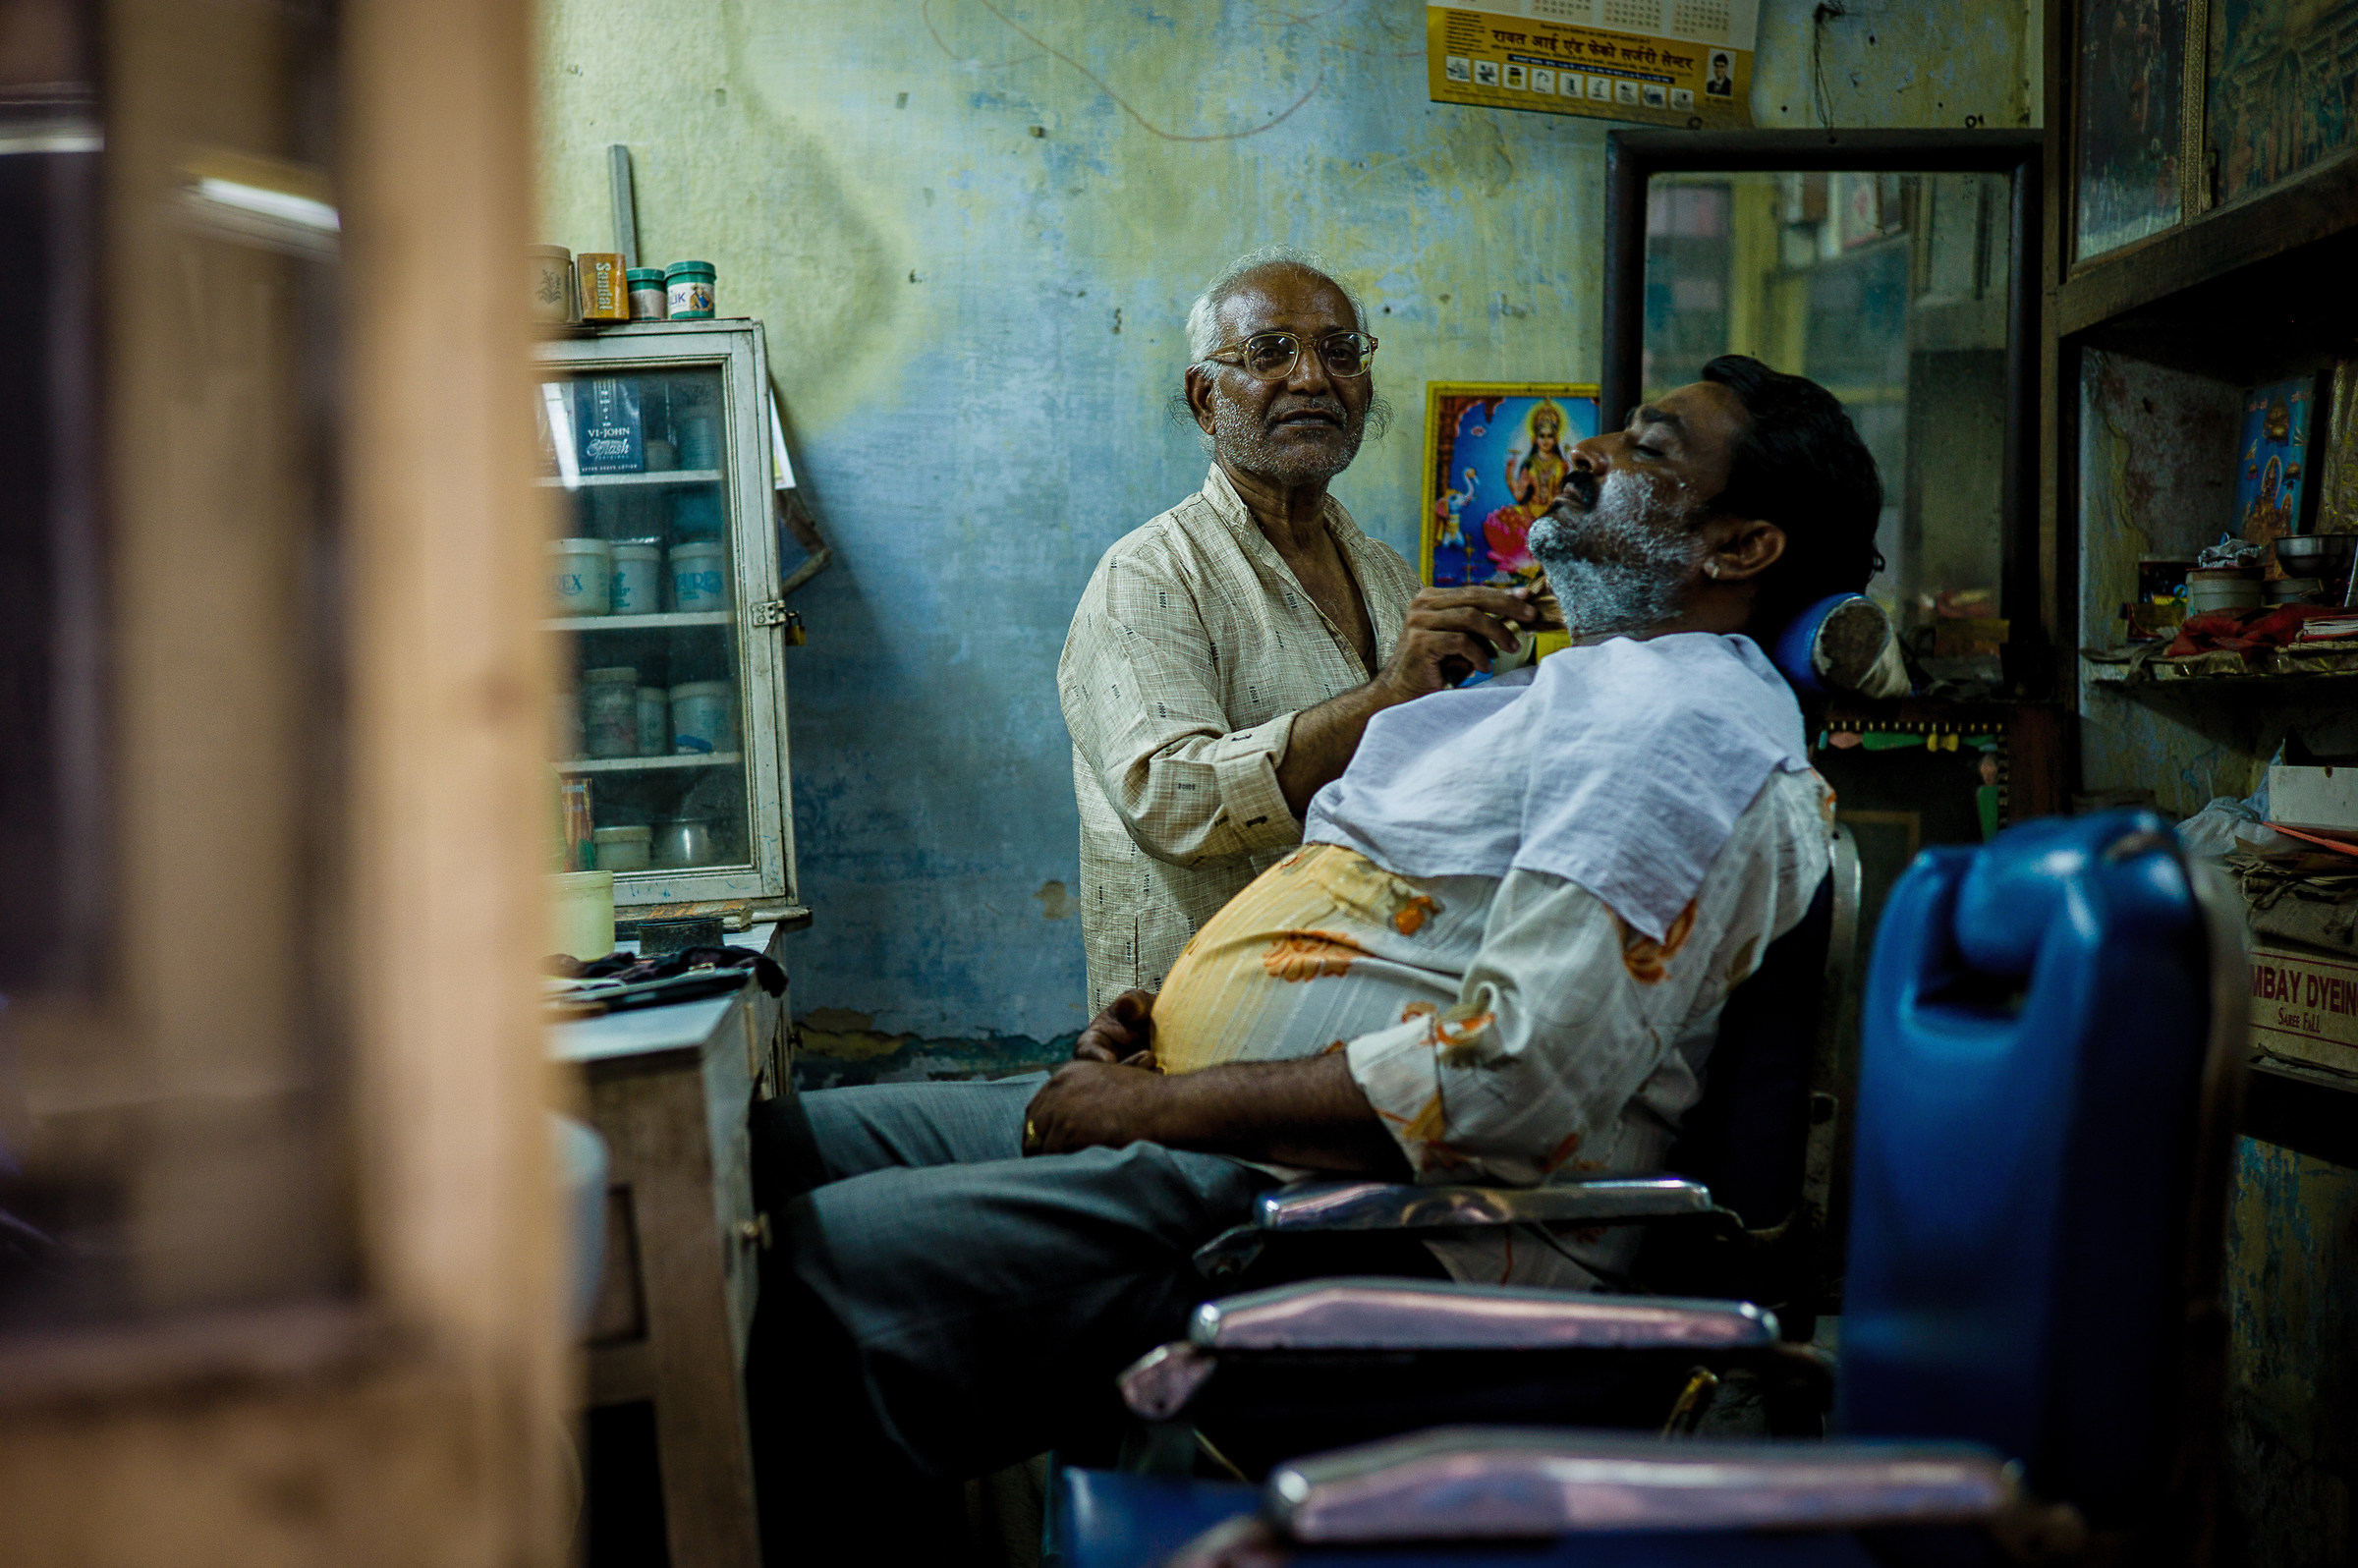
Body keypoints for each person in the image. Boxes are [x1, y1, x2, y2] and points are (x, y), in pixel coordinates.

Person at [748, 356, 1882, 1558]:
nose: (1589, 453)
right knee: (762, 1157)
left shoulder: (1680, 728)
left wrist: (1168, 1105)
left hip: (1348, 1227)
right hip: (1216, 1128)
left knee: (799, 1289)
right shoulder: (1584, 688)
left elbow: (1510, 1081)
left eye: (1651, 451)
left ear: (1743, 548)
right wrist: (1177, 1017)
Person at [1059, 248, 1542, 1013]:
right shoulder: (1148, 577)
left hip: (1359, 1005)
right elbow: (1171, 801)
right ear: (1206, 399)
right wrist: (1390, 697)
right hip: (1196, 1020)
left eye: (1340, 351)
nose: (1313, 378)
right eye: (1269, 351)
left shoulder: (1386, 574)